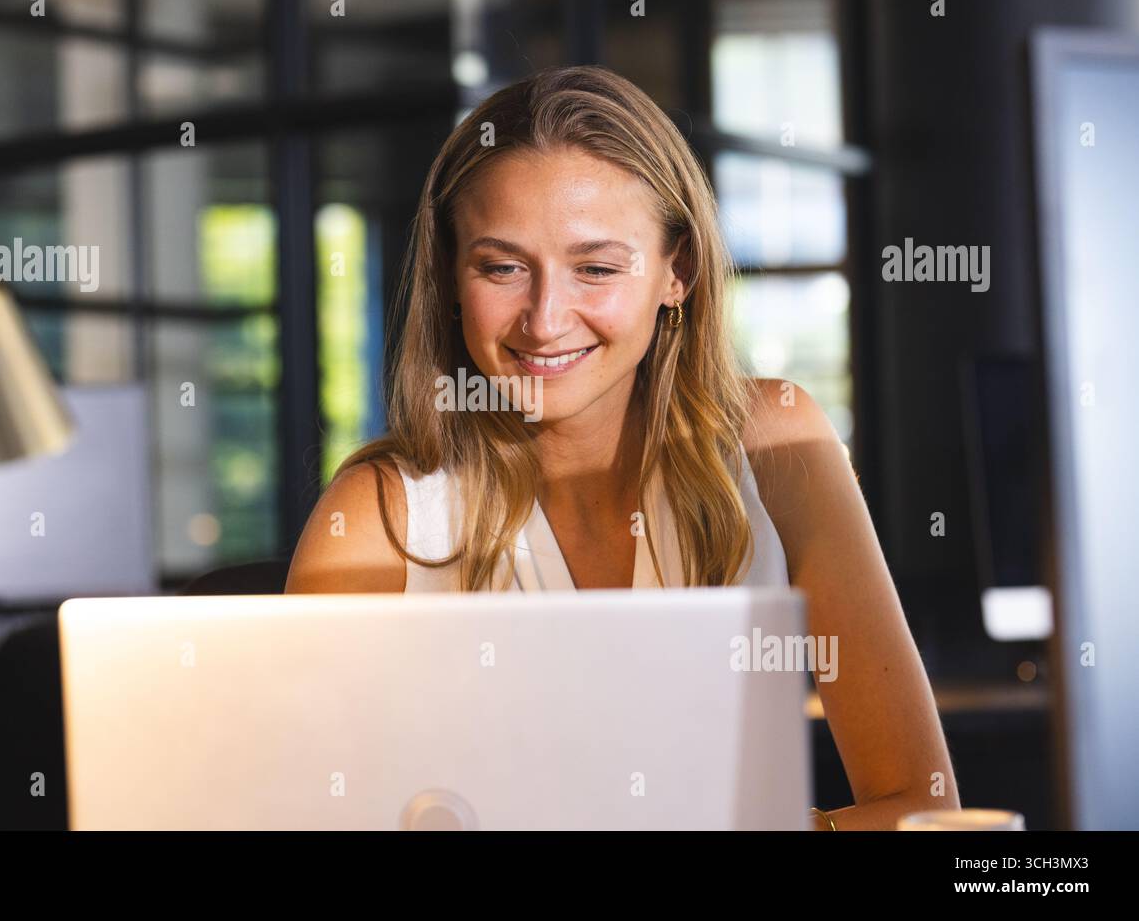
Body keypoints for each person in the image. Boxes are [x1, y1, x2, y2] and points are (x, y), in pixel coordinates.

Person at [286, 65, 959, 829]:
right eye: (502, 267)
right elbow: (301, 811)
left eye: (596, 268)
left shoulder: (776, 441)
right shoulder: (381, 512)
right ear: (449, 272)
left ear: (679, 270)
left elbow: (926, 811)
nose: (545, 320)